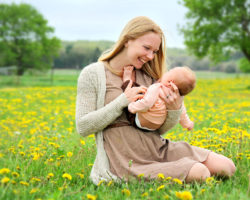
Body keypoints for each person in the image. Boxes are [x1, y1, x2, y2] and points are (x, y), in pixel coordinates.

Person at [75, 16, 236, 185]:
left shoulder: (149, 76)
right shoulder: (93, 74)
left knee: (226, 167)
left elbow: (158, 129)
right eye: (147, 48)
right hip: (127, 161)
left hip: (157, 148)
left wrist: (174, 110)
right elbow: (83, 126)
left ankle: (173, 166)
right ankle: (177, 169)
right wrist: (122, 101)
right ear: (128, 40)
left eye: (154, 51)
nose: (151, 56)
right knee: (200, 172)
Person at [121, 65, 195, 131]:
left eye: (169, 72)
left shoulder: (157, 88)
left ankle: (127, 78)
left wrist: (132, 106)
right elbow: (182, 113)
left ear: (170, 82)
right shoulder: (177, 99)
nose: (165, 72)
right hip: (155, 126)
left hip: (140, 121)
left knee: (135, 91)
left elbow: (147, 103)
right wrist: (188, 124)